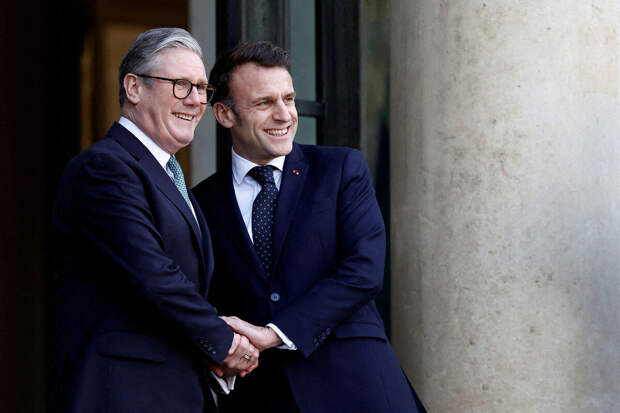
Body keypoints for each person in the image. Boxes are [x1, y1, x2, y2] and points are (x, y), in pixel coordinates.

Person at [192, 41, 426, 413]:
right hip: (262, 397)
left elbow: (364, 271)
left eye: (289, 99)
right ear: (224, 113)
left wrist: (273, 334)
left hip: (358, 388)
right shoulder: (200, 202)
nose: (284, 114)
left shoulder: (341, 169)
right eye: (264, 103)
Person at [48, 28, 259, 413]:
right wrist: (224, 342)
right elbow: (153, 274)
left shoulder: (168, 177)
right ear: (134, 87)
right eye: (181, 85)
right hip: (122, 394)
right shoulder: (105, 167)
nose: (195, 100)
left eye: (201, 88)